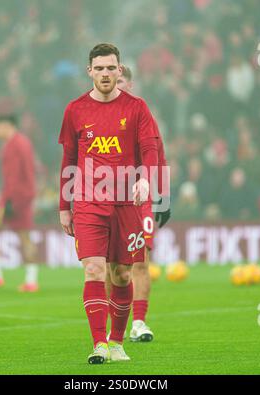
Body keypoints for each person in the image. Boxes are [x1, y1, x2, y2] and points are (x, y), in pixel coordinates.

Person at [59, 43, 159, 364]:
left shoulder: (137, 107)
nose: (105, 73)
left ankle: (117, 341)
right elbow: (69, 159)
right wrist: (64, 205)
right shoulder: (75, 109)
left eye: (110, 68)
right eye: (99, 68)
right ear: (89, 71)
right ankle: (99, 344)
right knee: (93, 269)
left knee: (122, 276)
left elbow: (150, 148)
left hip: (125, 204)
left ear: (120, 70)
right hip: (88, 202)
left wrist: (146, 178)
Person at [105, 65, 170, 342]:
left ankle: (139, 323)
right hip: (108, 198)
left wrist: (163, 196)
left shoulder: (142, 114)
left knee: (141, 261)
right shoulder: (98, 114)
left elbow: (158, 153)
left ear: (129, 84)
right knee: (112, 266)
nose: (115, 84)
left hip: (141, 197)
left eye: (120, 80)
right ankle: (113, 325)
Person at [0, 115, 39, 292]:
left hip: (14, 197)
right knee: (24, 236)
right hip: (25, 195)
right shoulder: (24, 142)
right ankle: (31, 280)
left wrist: (3, 201)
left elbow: (12, 177)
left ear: (6, 126)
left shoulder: (13, 145)